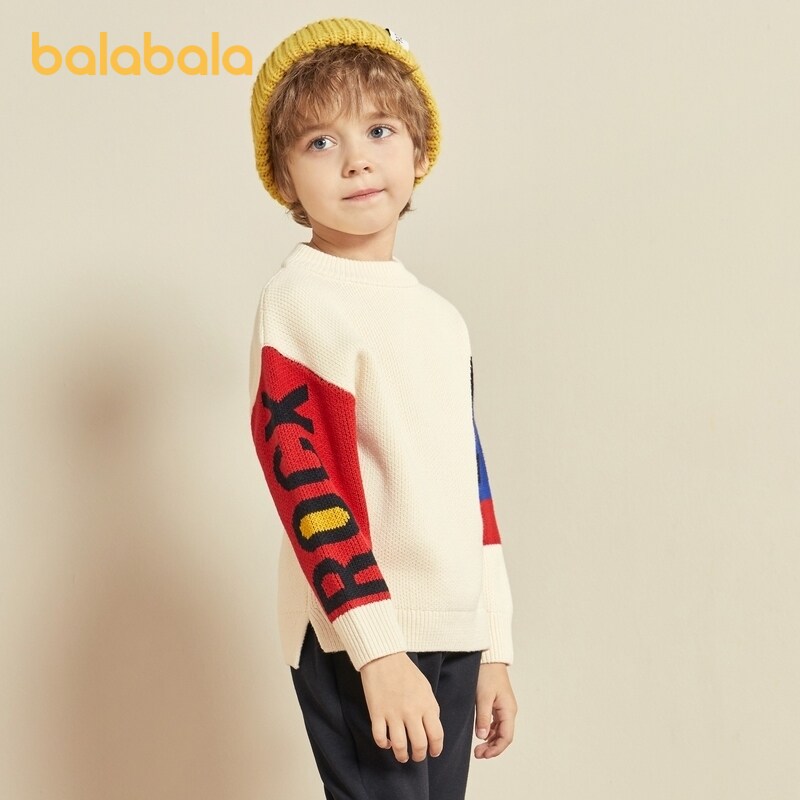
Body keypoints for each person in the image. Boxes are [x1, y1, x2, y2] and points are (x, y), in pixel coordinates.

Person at [248, 18, 516, 800]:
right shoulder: (301, 300)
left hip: (453, 633)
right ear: (285, 179)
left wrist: (494, 643)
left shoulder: (441, 318)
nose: (357, 158)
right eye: (320, 142)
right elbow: (307, 486)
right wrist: (378, 651)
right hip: (358, 634)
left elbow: (471, 488)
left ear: (420, 151)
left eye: (379, 130)